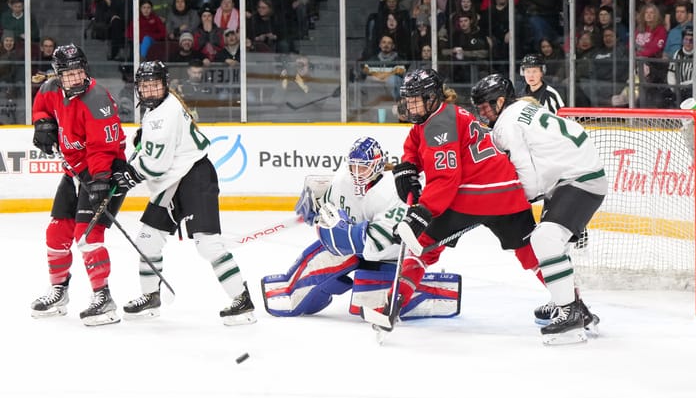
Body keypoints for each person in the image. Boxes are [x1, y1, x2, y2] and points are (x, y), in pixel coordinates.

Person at [382, 68, 551, 337]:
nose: (411, 104)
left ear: (433, 97)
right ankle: (572, 302)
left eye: (417, 99)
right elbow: (416, 139)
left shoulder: (439, 124)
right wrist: (407, 165)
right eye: (409, 99)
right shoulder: (443, 115)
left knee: (423, 246)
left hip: (472, 195)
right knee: (531, 252)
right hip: (508, 193)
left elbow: (446, 178)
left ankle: (394, 301)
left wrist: (423, 211)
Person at [111, 61, 256, 325]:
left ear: (165, 84)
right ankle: (151, 298)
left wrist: (130, 174)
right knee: (147, 240)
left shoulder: (163, 115)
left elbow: (156, 164)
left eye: (155, 84)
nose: (150, 90)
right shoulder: (158, 109)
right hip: (173, 181)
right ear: (137, 88)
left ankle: (242, 300)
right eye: (145, 85)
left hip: (194, 177)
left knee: (208, 244)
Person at [261, 137, 461, 319]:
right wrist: (316, 204)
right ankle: (290, 289)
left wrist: (335, 233)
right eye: (353, 167)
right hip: (359, 250)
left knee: (367, 299)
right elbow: (328, 203)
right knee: (322, 259)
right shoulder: (342, 181)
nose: (356, 173)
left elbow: (377, 244)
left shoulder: (394, 192)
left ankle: (435, 293)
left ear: (377, 166)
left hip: (390, 256)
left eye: (363, 168)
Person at [471, 73, 605, 344]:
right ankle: (568, 303)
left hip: (578, 179)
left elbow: (525, 172)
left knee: (545, 239)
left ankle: (570, 314)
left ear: (500, 101)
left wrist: (512, 200)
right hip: (573, 177)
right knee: (553, 244)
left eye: (486, 106)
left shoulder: (506, 123)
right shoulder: (523, 108)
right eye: (479, 108)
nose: (483, 113)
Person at [29, 43, 127, 326]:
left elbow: (102, 149)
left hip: (105, 172)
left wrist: (99, 181)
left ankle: (104, 298)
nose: (74, 78)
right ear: (58, 74)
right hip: (74, 171)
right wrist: (42, 123)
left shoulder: (97, 99)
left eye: (78, 71)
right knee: (56, 234)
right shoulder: (51, 88)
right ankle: (58, 291)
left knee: (86, 236)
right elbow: (42, 105)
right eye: (67, 73)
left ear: (85, 69)